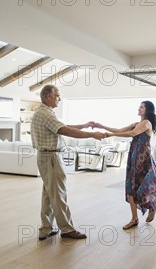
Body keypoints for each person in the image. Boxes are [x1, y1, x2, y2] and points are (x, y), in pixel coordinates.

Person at [31, 85, 105, 241]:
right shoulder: (45, 113)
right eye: (57, 95)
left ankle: (46, 229)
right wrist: (92, 135)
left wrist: (84, 125)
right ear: (47, 96)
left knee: (48, 194)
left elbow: (64, 126)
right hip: (51, 158)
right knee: (58, 194)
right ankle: (67, 229)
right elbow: (65, 131)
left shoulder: (45, 112)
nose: (59, 98)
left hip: (45, 157)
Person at [93, 101, 156, 229]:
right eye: (139, 106)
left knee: (149, 185)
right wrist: (102, 126)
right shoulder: (136, 124)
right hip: (133, 158)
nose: (139, 108)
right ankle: (134, 219)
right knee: (131, 188)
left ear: (147, 110)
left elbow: (132, 134)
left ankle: (152, 207)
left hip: (144, 160)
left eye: (141, 107)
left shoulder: (146, 123)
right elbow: (119, 130)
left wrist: (111, 135)